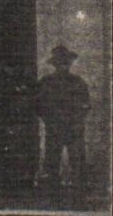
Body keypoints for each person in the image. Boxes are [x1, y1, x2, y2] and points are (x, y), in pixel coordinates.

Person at [33, 45, 90, 195]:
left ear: (69, 64)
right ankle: (52, 193)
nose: (63, 66)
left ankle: (79, 193)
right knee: (52, 161)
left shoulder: (78, 82)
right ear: (55, 65)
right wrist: (49, 121)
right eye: (60, 63)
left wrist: (77, 121)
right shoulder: (46, 83)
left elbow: (85, 105)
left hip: (73, 128)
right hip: (55, 128)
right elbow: (38, 105)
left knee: (77, 161)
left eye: (66, 63)